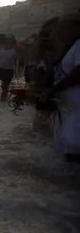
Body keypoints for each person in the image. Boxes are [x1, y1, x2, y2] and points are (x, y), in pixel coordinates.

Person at [42, 14, 80, 162]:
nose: (57, 34)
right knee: (66, 154)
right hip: (67, 109)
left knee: (73, 155)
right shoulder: (69, 48)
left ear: (75, 29)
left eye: (61, 30)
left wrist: (54, 89)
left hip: (77, 110)